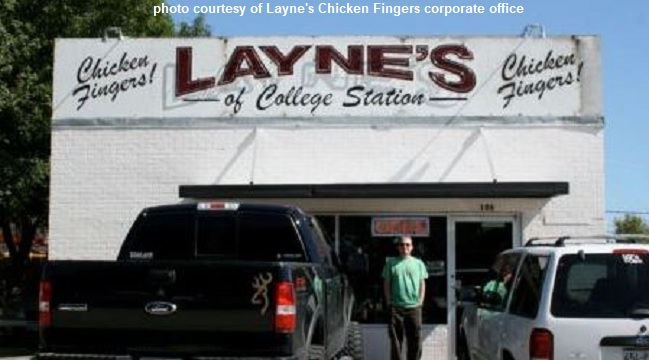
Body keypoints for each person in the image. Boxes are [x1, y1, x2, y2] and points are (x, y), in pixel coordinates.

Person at [382, 236, 429, 360]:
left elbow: (422, 283)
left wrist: (420, 302)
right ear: (398, 247)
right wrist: (389, 303)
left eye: (408, 245)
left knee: (415, 341)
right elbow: (386, 284)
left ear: (412, 247)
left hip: (414, 308)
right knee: (396, 342)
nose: (405, 247)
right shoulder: (391, 264)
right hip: (396, 308)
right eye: (402, 245)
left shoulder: (419, 263)